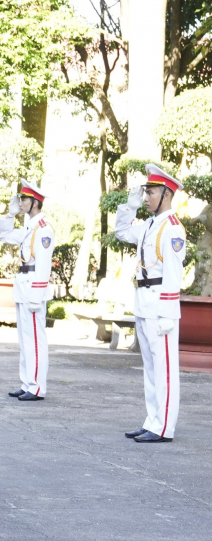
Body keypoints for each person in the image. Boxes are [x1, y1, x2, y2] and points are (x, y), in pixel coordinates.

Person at [115, 165, 186, 443]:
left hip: (160, 306)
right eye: (145, 192)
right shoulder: (149, 225)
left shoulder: (173, 229)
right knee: (150, 368)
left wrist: (169, 312)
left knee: (164, 368)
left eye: (151, 192)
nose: (146, 198)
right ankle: (152, 420)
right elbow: (122, 231)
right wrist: (128, 207)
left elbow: (173, 273)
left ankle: (164, 426)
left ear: (166, 194)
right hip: (144, 301)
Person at [0, 180, 56, 401]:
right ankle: (27, 382)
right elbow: (4, 236)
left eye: (24, 199)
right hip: (23, 285)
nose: (20, 202)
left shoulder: (44, 229)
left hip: (33, 288)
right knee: (24, 339)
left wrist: (37, 294)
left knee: (35, 340)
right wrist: (9, 215)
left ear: (35, 203)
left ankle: (37, 386)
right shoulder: (29, 227)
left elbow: (43, 265)